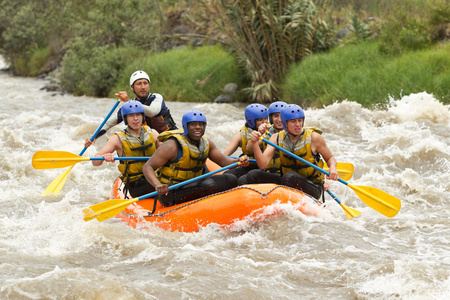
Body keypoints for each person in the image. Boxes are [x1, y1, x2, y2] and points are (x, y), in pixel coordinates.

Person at [142, 110, 249, 207]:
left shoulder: (206, 143)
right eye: (193, 124)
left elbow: (223, 161)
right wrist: (158, 185)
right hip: (170, 192)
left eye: (201, 124)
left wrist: (238, 161)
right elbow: (148, 167)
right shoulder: (172, 145)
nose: (198, 127)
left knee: (231, 179)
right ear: (186, 127)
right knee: (209, 185)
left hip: (194, 186)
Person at [247, 104, 339, 201]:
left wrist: (333, 168)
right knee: (253, 175)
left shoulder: (314, 138)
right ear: (285, 123)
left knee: (289, 177)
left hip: (312, 186)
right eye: (293, 121)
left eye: (300, 120)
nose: (298, 124)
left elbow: (329, 158)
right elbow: (263, 164)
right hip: (287, 182)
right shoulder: (276, 137)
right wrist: (254, 143)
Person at [85, 70, 177, 148]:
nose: (143, 87)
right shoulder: (128, 106)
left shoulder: (157, 98)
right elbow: (108, 123)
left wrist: (128, 101)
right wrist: (94, 137)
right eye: (139, 84)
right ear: (132, 88)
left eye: (145, 83)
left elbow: (152, 112)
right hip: (151, 144)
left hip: (170, 138)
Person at [91, 100, 161, 198]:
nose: (135, 119)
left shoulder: (153, 133)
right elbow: (95, 161)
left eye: (138, 115)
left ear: (143, 116)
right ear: (125, 118)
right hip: (136, 185)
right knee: (166, 180)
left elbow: (168, 154)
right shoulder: (116, 139)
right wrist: (103, 156)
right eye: (131, 116)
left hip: (155, 177)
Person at [221, 103, 268, 185]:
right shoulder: (241, 135)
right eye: (260, 120)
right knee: (227, 175)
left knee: (244, 179)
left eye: (265, 119)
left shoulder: (270, 131)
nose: (264, 122)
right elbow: (224, 155)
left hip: (264, 168)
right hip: (248, 167)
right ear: (251, 121)